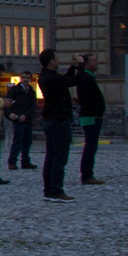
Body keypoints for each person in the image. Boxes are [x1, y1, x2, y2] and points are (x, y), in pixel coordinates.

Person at [35, 51, 78, 203]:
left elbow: (65, 79)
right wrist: (81, 66)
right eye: (58, 58)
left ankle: (49, 190)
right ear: (51, 61)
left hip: (52, 120)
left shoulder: (46, 76)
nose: (59, 60)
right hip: (59, 120)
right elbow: (72, 81)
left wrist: (72, 67)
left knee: (51, 157)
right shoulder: (51, 78)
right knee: (59, 158)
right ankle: (56, 191)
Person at [73, 53, 106, 186]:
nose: (96, 62)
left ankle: (87, 174)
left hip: (92, 115)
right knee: (90, 146)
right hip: (91, 116)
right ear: (86, 64)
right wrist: (98, 112)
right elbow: (87, 99)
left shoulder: (88, 76)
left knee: (91, 146)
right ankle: (87, 175)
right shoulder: (86, 77)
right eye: (93, 61)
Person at [6, 73, 38, 171]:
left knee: (27, 141)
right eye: (24, 77)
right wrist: (10, 114)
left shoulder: (31, 91)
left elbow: (33, 106)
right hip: (18, 118)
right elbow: (7, 102)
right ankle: (12, 162)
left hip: (27, 119)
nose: (25, 79)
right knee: (18, 141)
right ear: (21, 78)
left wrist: (26, 116)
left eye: (27, 78)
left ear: (30, 79)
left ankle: (25, 161)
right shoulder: (14, 90)